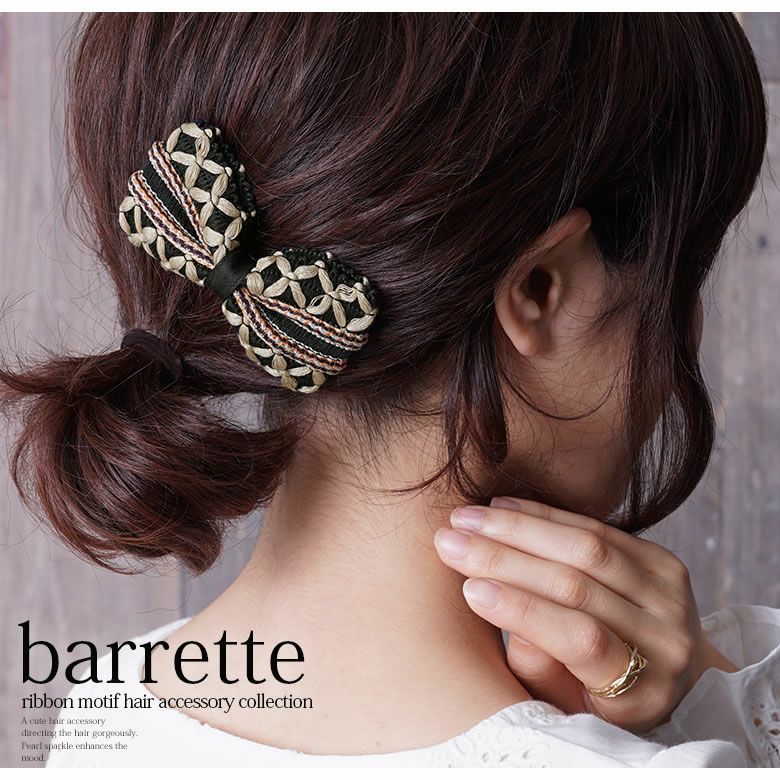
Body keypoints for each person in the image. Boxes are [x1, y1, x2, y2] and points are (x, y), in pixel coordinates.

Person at [1, 12, 777, 768]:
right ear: (543, 288)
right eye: (688, 274)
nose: (691, 327)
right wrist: (715, 707)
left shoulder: (104, 712)